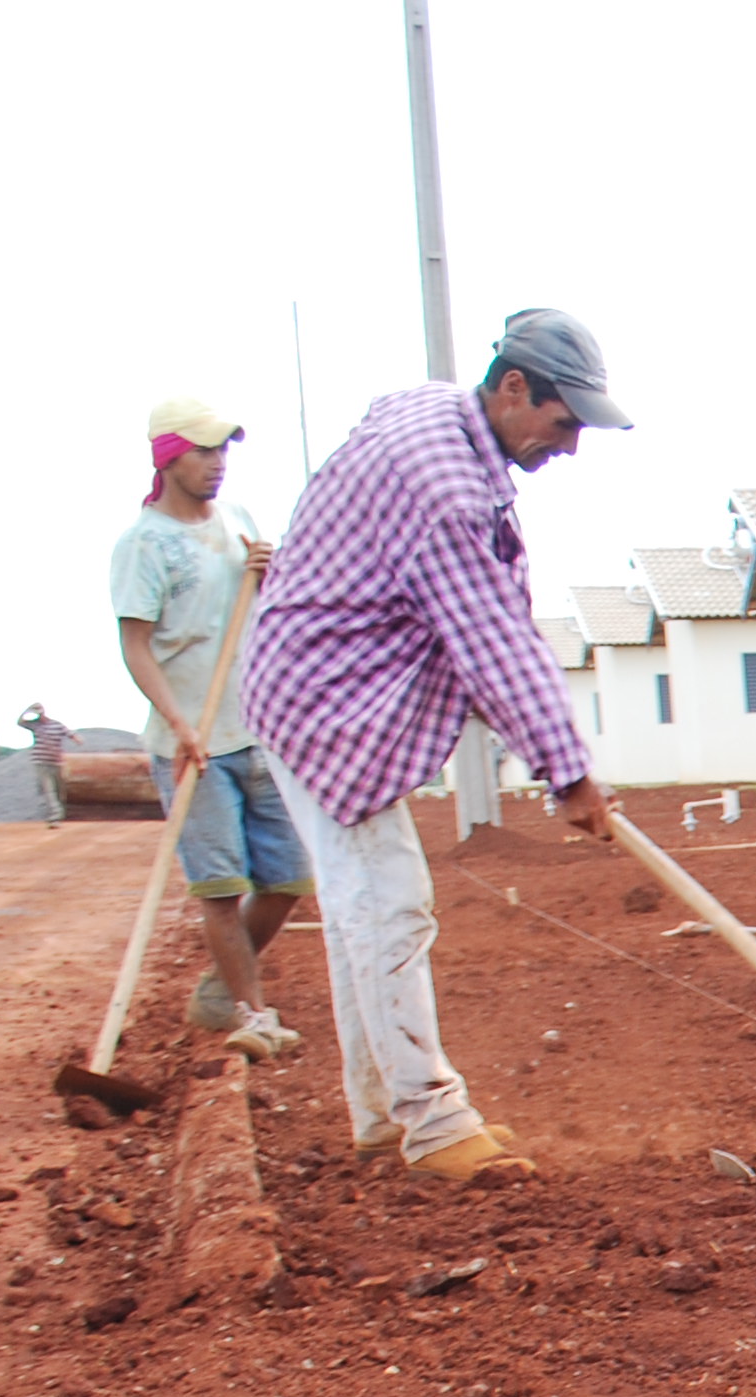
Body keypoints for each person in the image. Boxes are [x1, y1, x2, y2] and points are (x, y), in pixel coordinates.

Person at [241, 309, 626, 1185]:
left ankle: (382, 1117)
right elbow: (492, 636)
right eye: (565, 424)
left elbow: (480, 617)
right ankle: (433, 1122)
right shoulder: (445, 487)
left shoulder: (430, 410)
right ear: (514, 387)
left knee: (360, 910)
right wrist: (567, 773)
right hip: (325, 705)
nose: (569, 448)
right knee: (389, 904)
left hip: (317, 684)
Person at [111, 397, 307, 1063]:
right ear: (167, 458)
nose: (217, 464)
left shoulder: (238, 523)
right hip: (189, 744)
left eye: (223, 451)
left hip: (253, 732)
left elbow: (262, 613)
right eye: (202, 451)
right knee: (220, 887)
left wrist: (265, 576)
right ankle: (251, 1011)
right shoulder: (142, 546)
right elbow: (136, 647)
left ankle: (220, 989)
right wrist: (176, 722)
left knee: (287, 877)